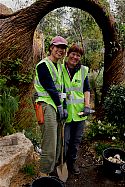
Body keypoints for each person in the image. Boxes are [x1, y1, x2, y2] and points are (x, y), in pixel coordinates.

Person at [34, 36, 68, 176]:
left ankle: (53, 169)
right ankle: (43, 174)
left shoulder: (60, 67)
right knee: (50, 142)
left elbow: (62, 90)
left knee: (59, 142)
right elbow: (50, 88)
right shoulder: (43, 65)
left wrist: (64, 106)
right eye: (57, 47)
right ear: (51, 48)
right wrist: (60, 106)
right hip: (46, 105)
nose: (60, 50)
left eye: (63, 48)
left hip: (57, 105)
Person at [62, 43, 90, 175]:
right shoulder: (60, 69)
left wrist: (87, 106)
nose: (75, 57)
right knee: (65, 141)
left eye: (78, 55)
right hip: (65, 113)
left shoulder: (83, 70)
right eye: (73, 54)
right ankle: (62, 163)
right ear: (68, 54)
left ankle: (72, 163)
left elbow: (86, 89)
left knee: (76, 141)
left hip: (79, 113)